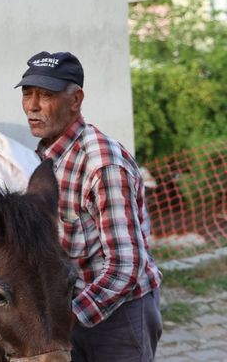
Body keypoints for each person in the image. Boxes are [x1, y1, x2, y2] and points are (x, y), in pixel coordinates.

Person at [15, 51, 163, 362]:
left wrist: (70, 315)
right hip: (69, 312)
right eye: (28, 94)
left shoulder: (103, 165)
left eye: (46, 95)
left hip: (118, 316)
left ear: (75, 100)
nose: (32, 106)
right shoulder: (44, 157)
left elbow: (126, 266)